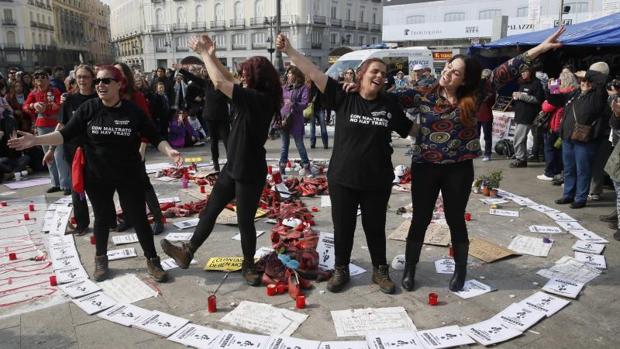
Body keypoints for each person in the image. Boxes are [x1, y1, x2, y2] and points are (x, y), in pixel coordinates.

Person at [392, 28, 566, 292]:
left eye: (455, 72)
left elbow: (508, 68)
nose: (447, 72)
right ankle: (410, 269)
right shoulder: (424, 91)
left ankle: (460, 272)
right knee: (420, 219)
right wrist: (358, 87)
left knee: (455, 219)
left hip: (459, 170)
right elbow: (386, 98)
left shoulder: (476, 94)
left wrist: (540, 48)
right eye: (448, 67)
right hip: (425, 166)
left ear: (464, 80)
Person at [8, 65, 181, 282]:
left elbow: (156, 137)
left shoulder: (132, 111)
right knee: (101, 218)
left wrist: (170, 151)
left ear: (119, 84)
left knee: (138, 217)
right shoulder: (89, 108)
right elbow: (65, 134)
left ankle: (152, 261)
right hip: (97, 175)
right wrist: (36, 140)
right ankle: (101, 260)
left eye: (106, 80)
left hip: (129, 174)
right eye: (98, 81)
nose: (100, 85)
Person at [277, 34, 415, 294]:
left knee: (375, 228)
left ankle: (380, 270)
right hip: (343, 179)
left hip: (377, 180)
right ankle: (341, 269)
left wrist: (444, 133)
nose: (380, 76)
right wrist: (290, 51)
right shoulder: (343, 95)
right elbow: (314, 73)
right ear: (361, 75)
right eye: (375, 71)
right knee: (344, 228)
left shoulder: (389, 104)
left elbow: (411, 129)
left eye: (383, 74)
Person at [160, 34, 282, 286]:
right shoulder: (251, 93)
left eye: (246, 73)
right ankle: (187, 251)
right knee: (210, 211)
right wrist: (213, 55)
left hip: (250, 170)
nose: (242, 76)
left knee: (245, 221)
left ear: (257, 78)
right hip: (232, 166)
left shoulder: (258, 100)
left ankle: (248, 264)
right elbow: (228, 78)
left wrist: (203, 53)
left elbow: (218, 81)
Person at [113, 62, 166, 235]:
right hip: (116, 146)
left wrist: (143, 146)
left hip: (135, 145)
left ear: (126, 76)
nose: (117, 76)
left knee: (143, 183)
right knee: (121, 184)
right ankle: (128, 217)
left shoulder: (136, 96)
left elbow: (147, 123)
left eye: (120, 73)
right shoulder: (110, 96)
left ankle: (158, 218)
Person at [47, 65, 99, 236]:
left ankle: (107, 220)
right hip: (74, 150)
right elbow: (61, 125)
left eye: (86, 77)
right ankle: (82, 223)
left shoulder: (101, 97)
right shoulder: (69, 99)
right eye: (79, 77)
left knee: (99, 188)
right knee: (77, 188)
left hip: (96, 150)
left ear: (93, 78)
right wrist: (51, 149)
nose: (82, 80)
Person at [551, 62, 611, 209]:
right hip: (568, 137)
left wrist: (586, 74)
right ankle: (568, 195)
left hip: (584, 139)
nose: (584, 82)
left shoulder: (598, 95)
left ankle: (580, 198)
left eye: (587, 81)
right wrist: (552, 87)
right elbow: (555, 100)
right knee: (569, 168)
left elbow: (602, 81)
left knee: (583, 169)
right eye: (583, 81)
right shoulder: (576, 93)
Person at [22, 69, 71, 194]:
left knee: (59, 154)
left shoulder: (55, 91)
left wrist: (57, 106)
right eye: (37, 78)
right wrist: (34, 106)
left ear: (48, 79)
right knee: (48, 156)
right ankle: (55, 183)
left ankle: (65, 184)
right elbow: (25, 106)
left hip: (56, 125)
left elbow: (62, 105)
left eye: (43, 77)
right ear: (35, 81)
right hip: (42, 125)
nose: (40, 80)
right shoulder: (33, 93)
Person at [178, 67, 230, 171]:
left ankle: (232, 162)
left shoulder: (225, 87)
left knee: (227, 141)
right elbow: (193, 77)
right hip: (210, 118)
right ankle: (216, 163)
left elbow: (232, 100)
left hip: (223, 118)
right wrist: (181, 69)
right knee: (214, 141)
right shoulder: (206, 84)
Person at [537, 71, 578, 182]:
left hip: (556, 126)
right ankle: (560, 173)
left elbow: (546, 106)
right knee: (561, 152)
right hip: (565, 126)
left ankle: (549, 173)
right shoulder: (575, 92)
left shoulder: (561, 92)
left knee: (550, 149)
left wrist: (551, 88)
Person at [510, 64, 544, 168]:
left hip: (528, 116)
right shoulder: (522, 83)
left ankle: (520, 159)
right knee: (520, 138)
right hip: (520, 114)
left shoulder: (537, 83)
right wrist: (516, 96)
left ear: (530, 72)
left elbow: (538, 99)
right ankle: (522, 158)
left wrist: (522, 96)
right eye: (521, 72)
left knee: (518, 139)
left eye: (525, 71)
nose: (523, 74)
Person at [279, 66, 311, 175]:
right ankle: (282, 167)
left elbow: (305, 103)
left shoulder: (303, 88)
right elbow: (279, 101)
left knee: (299, 144)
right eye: (287, 73)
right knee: (284, 145)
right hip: (284, 119)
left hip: (296, 119)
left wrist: (294, 104)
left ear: (296, 75)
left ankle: (306, 165)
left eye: (290, 73)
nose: (288, 75)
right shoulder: (284, 87)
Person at [476, 69, 495, 161]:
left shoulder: (477, 86)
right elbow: (492, 102)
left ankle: (477, 152)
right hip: (485, 113)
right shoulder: (490, 86)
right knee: (487, 136)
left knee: (477, 135)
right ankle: (487, 154)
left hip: (478, 113)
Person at [308, 78, 328, 149]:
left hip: (320, 109)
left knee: (322, 128)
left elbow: (325, 98)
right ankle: (313, 143)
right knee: (313, 128)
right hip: (313, 109)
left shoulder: (321, 87)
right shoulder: (310, 86)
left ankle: (324, 143)